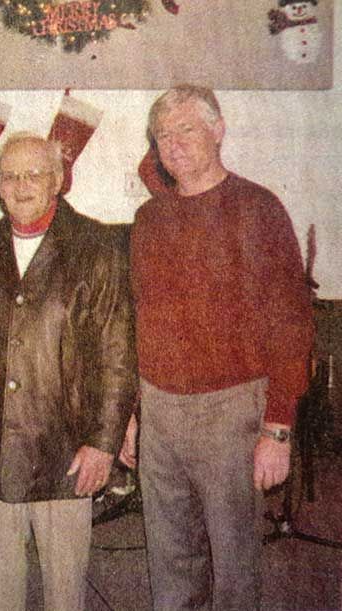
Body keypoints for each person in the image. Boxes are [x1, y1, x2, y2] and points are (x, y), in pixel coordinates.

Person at [127, 84, 314, 610]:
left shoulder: (257, 208)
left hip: (230, 410)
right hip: (159, 408)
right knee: (169, 560)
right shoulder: (148, 220)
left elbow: (291, 325)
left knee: (235, 564)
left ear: (218, 130)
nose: (175, 143)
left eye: (187, 128)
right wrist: (131, 415)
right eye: (163, 134)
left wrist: (278, 427)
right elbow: (138, 321)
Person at [0, 133, 137, 610]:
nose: (21, 185)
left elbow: (118, 355)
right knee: (2, 591)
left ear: (58, 180)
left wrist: (103, 443)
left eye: (34, 173)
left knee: (63, 594)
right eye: (10, 175)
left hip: (67, 455)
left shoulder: (96, 247)